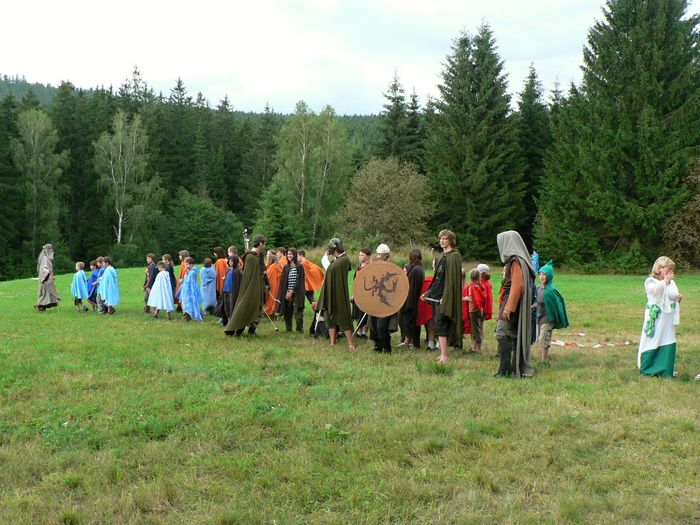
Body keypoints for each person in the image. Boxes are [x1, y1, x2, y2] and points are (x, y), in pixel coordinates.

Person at [494, 231, 536, 378]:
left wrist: (509, 307)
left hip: (511, 303)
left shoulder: (516, 261)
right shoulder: (518, 260)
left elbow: (518, 285)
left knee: (502, 333)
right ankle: (512, 368)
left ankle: (505, 370)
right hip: (513, 303)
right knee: (512, 334)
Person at [421, 230, 463, 363]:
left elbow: (452, 281)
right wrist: (428, 293)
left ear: (451, 240)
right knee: (438, 324)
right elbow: (438, 278)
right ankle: (442, 354)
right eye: (441, 239)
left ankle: (445, 355)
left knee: (442, 323)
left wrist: (446, 297)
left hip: (444, 297)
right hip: (437, 296)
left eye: (445, 238)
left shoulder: (454, 256)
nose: (442, 241)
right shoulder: (443, 256)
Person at [637, 256, 682, 378]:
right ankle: (648, 368)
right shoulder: (650, 281)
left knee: (667, 340)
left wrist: (678, 299)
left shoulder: (672, 282)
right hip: (656, 317)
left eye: (672, 269)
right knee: (653, 340)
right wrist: (665, 281)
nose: (670, 272)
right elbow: (655, 293)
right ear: (659, 268)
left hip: (668, 319)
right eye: (668, 269)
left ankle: (666, 370)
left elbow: (671, 296)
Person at [317, 238, 355, 350]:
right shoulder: (337, 260)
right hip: (330, 291)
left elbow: (331, 269)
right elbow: (331, 271)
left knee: (343, 316)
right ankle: (332, 342)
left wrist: (325, 259)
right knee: (329, 316)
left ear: (334, 249)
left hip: (339, 292)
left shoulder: (343, 260)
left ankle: (351, 344)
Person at [225, 235, 267, 336]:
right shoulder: (251, 257)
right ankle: (238, 330)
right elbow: (248, 275)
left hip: (258, 286)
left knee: (257, 308)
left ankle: (251, 330)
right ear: (260, 243)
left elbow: (261, 271)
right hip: (251, 287)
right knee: (246, 306)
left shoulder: (257, 256)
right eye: (264, 244)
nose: (265, 246)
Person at [532, 260, 569, 362]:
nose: (542, 277)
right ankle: (544, 358)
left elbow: (555, 305)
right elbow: (538, 301)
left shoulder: (551, 291)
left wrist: (554, 319)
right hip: (540, 316)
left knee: (543, 339)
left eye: (544, 274)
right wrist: (533, 306)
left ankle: (544, 361)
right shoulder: (539, 288)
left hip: (548, 318)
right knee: (541, 339)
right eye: (540, 274)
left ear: (549, 276)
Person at [369, 243, 397, 354]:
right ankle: (378, 346)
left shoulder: (392, 268)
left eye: (380, 254)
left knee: (381, 327)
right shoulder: (376, 266)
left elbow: (394, 286)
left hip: (386, 302)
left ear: (386, 255)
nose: (378, 256)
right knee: (374, 326)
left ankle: (387, 348)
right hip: (376, 300)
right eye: (377, 254)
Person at [277, 248, 306, 332]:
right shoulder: (286, 267)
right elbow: (283, 281)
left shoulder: (299, 266)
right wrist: (286, 291)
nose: (289, 255)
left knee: (297, 311)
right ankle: (288, 328)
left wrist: (292, 291)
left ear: (295, 255)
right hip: (287, 292)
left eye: (291, 254)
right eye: (288, 254)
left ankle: (299, 329)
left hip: (297, 292)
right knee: (287, 311)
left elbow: (299, 280)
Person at [215, 255, 242, 326]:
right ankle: (226, 321)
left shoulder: (237, 271)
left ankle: (232, 322)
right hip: (225, 291)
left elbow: (238, 283)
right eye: (229, 261)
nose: (230, 262)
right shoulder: (229, 270)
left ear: (235, 262)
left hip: (232, 292)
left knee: (231, 307)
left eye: (231, 261)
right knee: (225, 307)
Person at [351, 248, 371, 339]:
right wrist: (354, 294)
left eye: (362, 255)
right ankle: (359, 331)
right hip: (357, 293)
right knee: (357, 313)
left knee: (365, 313)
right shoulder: (359, 266)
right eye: (359, 255)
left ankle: (364, 332)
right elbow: (355, 281)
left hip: (366, 294)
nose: (360, 257)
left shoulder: (371, 267)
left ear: (367, 256)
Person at [464, 268, 485, 354]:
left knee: (475, 329)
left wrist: (462, 298)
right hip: (480, 309)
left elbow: (470, 298)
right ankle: (476, 348)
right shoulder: (480, 286)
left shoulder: (471, 287)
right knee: (478, 327)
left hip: (473, 310)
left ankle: (477, 349)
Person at [35, 244, 60, 311]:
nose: (51, 250)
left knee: (48, 293)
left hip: (48, 278)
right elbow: (43, 268)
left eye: (51, 248)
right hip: (45, 279)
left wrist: (51, 276)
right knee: (45, 293)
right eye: (50, 248)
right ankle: (40, 306)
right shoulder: (45, 258)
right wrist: (48, 273)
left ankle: (43, 306)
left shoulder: (47, 258)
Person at [180, 256, 203, 321]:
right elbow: (186, 279)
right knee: (184, 302)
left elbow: (191, 280)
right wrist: (183, 280)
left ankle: (191, 315)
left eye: (187, 264)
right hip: (186, 289)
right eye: (185, 264)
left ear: (191, 264)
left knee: (191, 301)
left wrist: (187, 273)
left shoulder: (192, 271)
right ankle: (186, 314)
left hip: (190, 289)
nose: (186, 266)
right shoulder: (188, 271)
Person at [477, 264, 494, 351]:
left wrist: (483, 309)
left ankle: (479, 345)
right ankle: (479, 344)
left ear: (483, 273)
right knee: (480, 326)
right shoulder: (485, 283)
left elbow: (485, 298)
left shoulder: (484, 284)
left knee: (479, 327)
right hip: (482, 309)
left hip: (482, 309)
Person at [265, 251, 283, 317]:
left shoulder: (272, 267)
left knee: (271, 298)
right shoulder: (278, 265)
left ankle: (271, 312)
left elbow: (268, 276)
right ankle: (274, 312)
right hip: (278, 285)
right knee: (275, 298)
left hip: (272, 285)